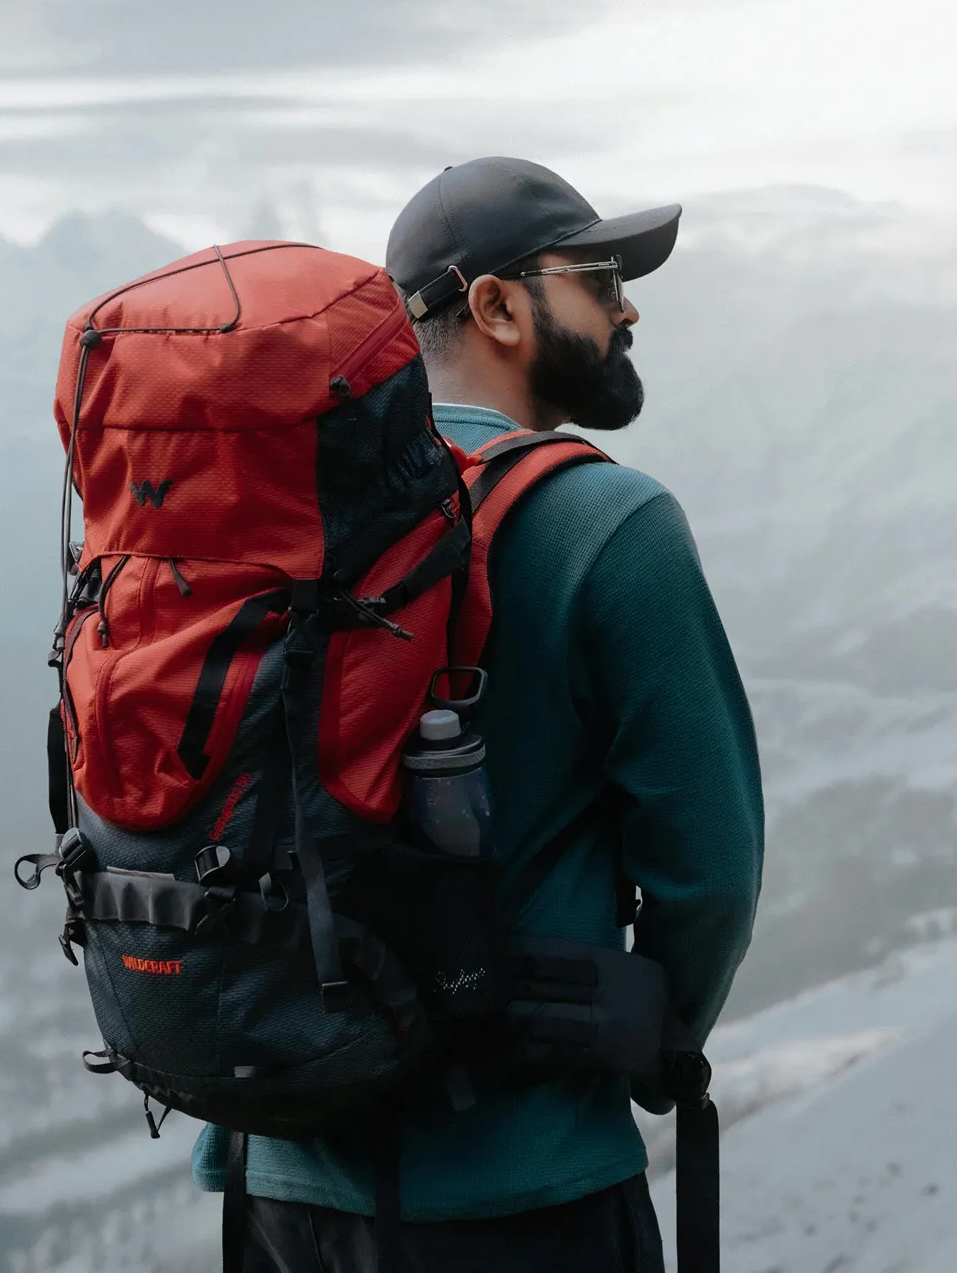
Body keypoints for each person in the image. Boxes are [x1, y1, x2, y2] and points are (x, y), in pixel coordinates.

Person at [195, 156, 766, 1273]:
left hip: (277, 1180)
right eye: (598, 276)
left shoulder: (278, 510)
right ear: (497, 304)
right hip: (521, 1185)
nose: (628, 303)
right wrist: (653, 1035)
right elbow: (712, 867)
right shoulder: (606, 520)